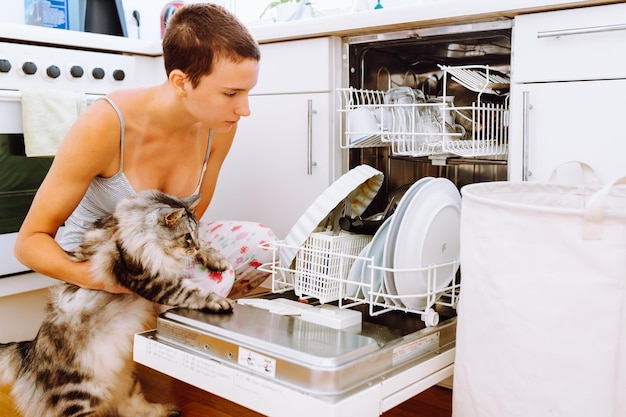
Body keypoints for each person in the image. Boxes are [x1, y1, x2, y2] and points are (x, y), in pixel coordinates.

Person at [14, 3, 275, 298]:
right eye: (231, 93)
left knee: (261, 244)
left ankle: (171, 332)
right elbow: (28, 243)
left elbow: (191, 216)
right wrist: (105, 281)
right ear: (181, 82)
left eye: (247, 92)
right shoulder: (106, 124)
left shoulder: (220, 126)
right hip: (100, 271)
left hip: (159, 262)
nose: (244, 109)